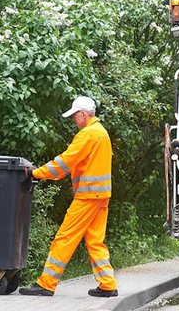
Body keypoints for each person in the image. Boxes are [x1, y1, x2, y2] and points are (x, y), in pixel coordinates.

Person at [19, 96, 118, 297]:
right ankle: (107, 284)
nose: (73, 119)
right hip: (101, 195)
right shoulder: (101, 133)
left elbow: (65, 162)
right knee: (95, 240)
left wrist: (36, 173)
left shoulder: (88, 134)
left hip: (88, 196)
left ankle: (46, 283)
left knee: (65, 237)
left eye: (75, 115)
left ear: (83, 113)